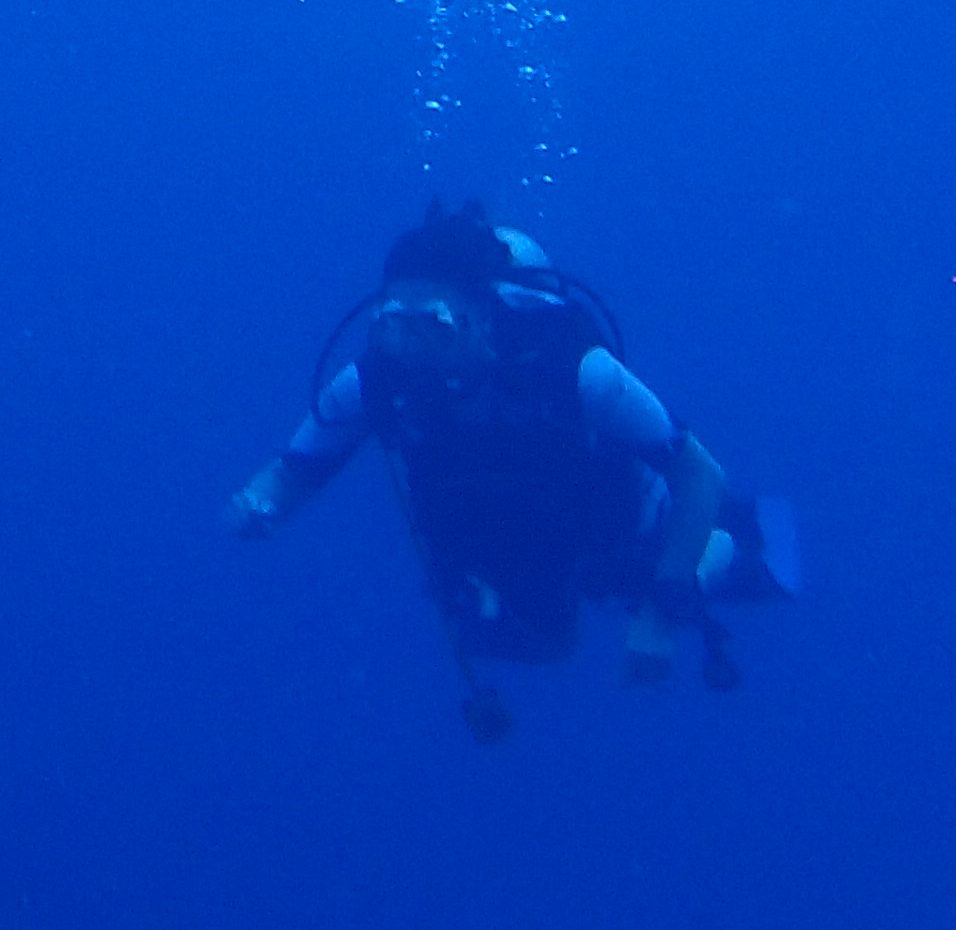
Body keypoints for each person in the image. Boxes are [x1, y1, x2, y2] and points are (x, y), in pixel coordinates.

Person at [226, 199, 798, 741]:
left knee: (688, 569)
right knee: (541, 643)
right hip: (500, 545)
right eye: (396, 323)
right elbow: (294, 470)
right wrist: (258, 505)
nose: (414, 347)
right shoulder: (378, 380)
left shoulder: (575, 370)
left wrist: (663, 612)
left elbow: (699, 472)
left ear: (483, 316)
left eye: (436, 324)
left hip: (616, 528)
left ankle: (737, 546)